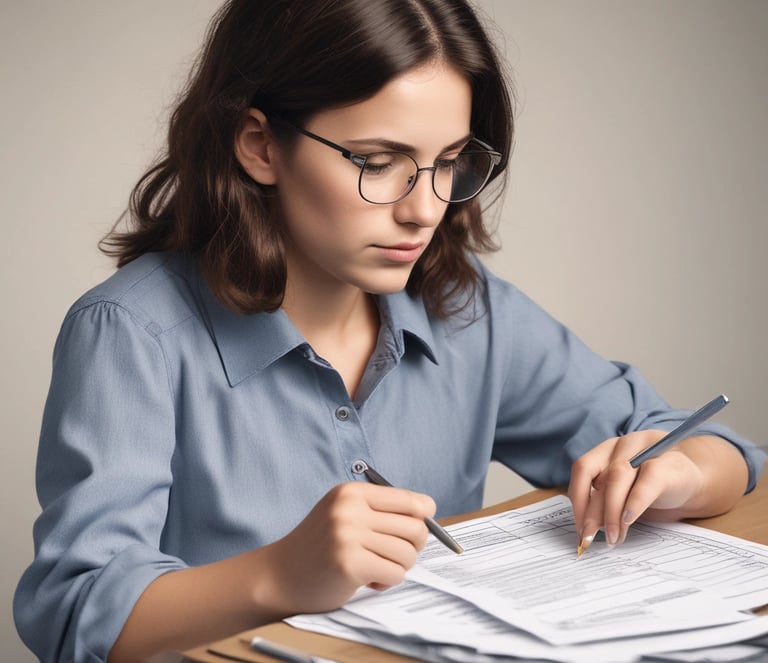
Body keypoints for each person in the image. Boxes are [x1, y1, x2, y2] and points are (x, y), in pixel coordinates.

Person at [14, 1, 765, 661]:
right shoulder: (131, 333)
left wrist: (685, 471)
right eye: (379, 162)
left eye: (449, 164)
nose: (424, 209)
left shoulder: (467, 308)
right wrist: (277, 573)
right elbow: (74, 613)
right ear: (259, 145)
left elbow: (706, 446)